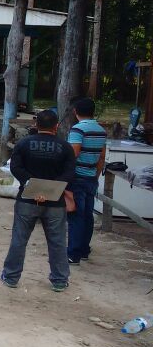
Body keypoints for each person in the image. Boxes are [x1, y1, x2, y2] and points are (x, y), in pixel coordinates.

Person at [1, 109, 76, 291]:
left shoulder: (24, 143)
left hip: (27, 199)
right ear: (56, 126)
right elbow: (69, 173)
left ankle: (11, 277)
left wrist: (30, 183)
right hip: (55, 202)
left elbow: (16, 167)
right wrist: (52, 188)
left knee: (19, 239)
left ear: (36, 124)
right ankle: (59, 280)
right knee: (57, 242)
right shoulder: (65, 147)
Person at [66, 97, 107, 264]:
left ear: (75, 111)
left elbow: (73, 154)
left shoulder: (77, 129)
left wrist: (65, 174)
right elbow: (102, 157)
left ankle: (73, 254)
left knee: (76, 215)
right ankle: (84, 250)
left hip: (77, 177)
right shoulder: (101, 130)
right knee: (88, 215)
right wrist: (95, 176)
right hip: (91, 177)